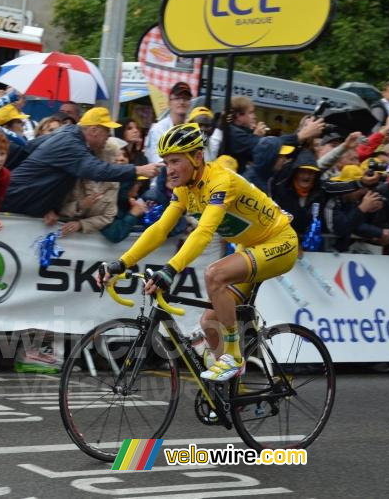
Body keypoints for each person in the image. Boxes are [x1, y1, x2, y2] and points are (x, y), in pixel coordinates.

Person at [99, 123, 300, 382]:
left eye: (175, 161)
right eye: (166, 162)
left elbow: (204, 232)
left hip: (279, 242)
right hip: (249, 246)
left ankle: (233, 357)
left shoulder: (220, 181)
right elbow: (160, 229)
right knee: (209, 324)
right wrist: (121, 263)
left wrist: (170, 270)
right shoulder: (184, 189)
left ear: (196, 157)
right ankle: (227, 391)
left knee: (214, 274)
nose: (169, 169)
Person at [0, 107, 161, 218]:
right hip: (16, 199)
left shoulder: (68, 133)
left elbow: (29, 149)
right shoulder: (70, 143)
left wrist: (51, 208)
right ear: (93, 130)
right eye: (106, 131)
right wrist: (138, 170)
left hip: (18, 198)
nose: (108, 137)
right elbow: (97, 170)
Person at [57, 137, 122, 236]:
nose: (118, 163)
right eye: (113, 159)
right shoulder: (75, 176)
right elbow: (56, 207)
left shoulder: (114, 183)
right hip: (59, 229)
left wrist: (81, 224)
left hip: (86, 236)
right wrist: (79, 205)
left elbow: (108, 216)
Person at [144, 81, 192, 163]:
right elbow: (158, 162)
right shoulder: (158, 129)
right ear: (169, 102)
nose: (182, 102)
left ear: (190, 103)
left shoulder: (191, 130)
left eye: (186, 98)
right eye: (177, 98)